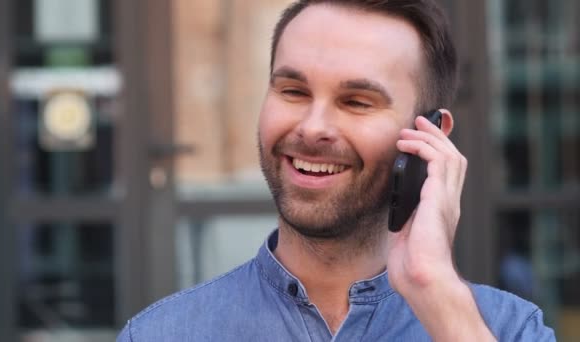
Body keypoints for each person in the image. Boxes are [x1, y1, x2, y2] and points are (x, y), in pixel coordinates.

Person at [118, 0, 555, 340]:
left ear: (432, 136)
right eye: (293, 90)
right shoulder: (159, 334)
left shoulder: (508, 330)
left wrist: (435, 295)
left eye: (356, 102)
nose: (312, 127)